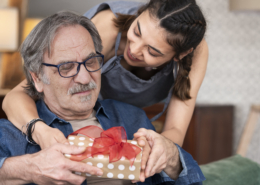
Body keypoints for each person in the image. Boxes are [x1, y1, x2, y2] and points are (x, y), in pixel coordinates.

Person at [2, 0, 208, 175]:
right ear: (141, 12)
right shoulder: (107, 29)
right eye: (136, 32)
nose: (134, 50)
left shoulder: (194, 54)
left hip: (124, 121)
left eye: (153, 52)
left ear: (180, 55)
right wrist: (39, 131)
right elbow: (16, 95)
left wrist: (156, 151)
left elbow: (175, 130)